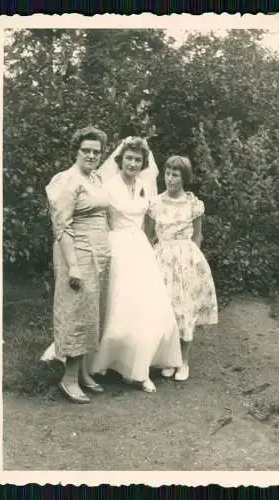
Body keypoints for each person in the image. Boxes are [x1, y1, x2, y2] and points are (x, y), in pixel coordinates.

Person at [90, 137, 183, 393]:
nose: (133, 163)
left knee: (148, 305)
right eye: (129, 158)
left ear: (143, 164)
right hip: (116, 246)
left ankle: (140, 366)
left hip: (140, 248)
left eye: (138, 160)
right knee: (118, 305)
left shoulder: (146, 186)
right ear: (120, 160)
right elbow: (99, 221)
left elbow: (157, 216)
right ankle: (109, 361)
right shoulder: (107, 186)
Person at [41, 125, 111, 403]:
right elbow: (62, 227)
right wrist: (72, 265)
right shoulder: (66, 180)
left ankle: (82, 373)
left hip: (97, 255)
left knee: (91, 313)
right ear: (76, 151)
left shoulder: (95, 179)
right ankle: (68, 379)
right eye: (86, 150)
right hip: (77, 254)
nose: (92, 155)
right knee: (76, 314)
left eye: (96, 151)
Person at [145, 155, 218, 381]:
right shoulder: (155, 203)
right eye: (167, 173)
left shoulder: (193, 204)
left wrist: (191, 261)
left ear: (183, 177)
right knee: (166, 310)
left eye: (175, 174)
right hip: (161, 259)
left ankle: (183, 361)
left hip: (186, 260)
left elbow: (197, 236)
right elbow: (148, 236)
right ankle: (169, 358)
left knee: (185, 309)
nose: (170, 178)